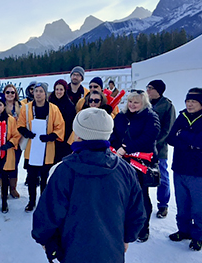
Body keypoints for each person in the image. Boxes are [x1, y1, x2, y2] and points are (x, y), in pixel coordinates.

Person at [32, 108, 146, 263]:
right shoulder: (125, 170)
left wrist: (45, 239)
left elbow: (49, 212)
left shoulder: (64, 170)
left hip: (73, 251)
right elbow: (137, 211)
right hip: (111, 251)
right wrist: (127, 237)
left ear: (78, 134)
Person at [110, 89, 160, 242]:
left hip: (140, 162)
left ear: (143, 103)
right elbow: (113, 133)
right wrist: (116, 146)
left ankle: (143, 228)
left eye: (136, 102)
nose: (132, 105)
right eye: (130, 101)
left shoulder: (151, 117)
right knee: (122, 195)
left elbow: (150, 136)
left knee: (141, 196)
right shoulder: (121, 116)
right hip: (121, 160)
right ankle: (123, 225)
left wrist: (127, 148)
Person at [167, 87, 202, 251]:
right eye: (188, 101)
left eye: (193, 101)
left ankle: (198, 235)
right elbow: (171, 138)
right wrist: (190, 142)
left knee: (198, 206)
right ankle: (183, 230)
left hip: (200, 171)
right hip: (180, 167)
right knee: (182, 204)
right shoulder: (182, 116)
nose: (189, 105)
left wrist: (182, 135)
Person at [17, 82, 65, 212]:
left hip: (47, 147)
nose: (38, 94)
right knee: (31, 176)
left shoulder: (53, 109)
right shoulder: (26, 108)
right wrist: (26, 132)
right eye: (36, 91)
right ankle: (31, 200)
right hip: (32, 147)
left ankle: (43, 201)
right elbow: (20, 123)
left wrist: (51, 136)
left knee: (45, 177)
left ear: (46, 93)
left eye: (41, 91)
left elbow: (60, 126)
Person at [146, 80, 176, 218]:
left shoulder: (167, 106)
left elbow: (168, 129)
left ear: (158, 90)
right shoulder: (145, 103)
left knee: (162, 176)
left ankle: (163, 204)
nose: (147, 90)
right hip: (144, 148)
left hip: (160, 149)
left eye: (150, 88)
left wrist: (156, 142)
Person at [48, 79, 76, 163]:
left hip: (63, 141)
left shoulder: (69, 105)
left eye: (61, 89)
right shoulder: (49, 102)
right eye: (57, 89)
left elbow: (71, 125)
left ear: (65, 90)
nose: (58, 92)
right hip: (50, 140)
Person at [3, 84, 22, 198]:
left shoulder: (20, 106)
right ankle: (4, 188)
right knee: (3, 165)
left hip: (17, 139)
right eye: (8, 92)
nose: (10, 94)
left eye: (12, 92)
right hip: (3, 140)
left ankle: (13, 188)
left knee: (14, 164)